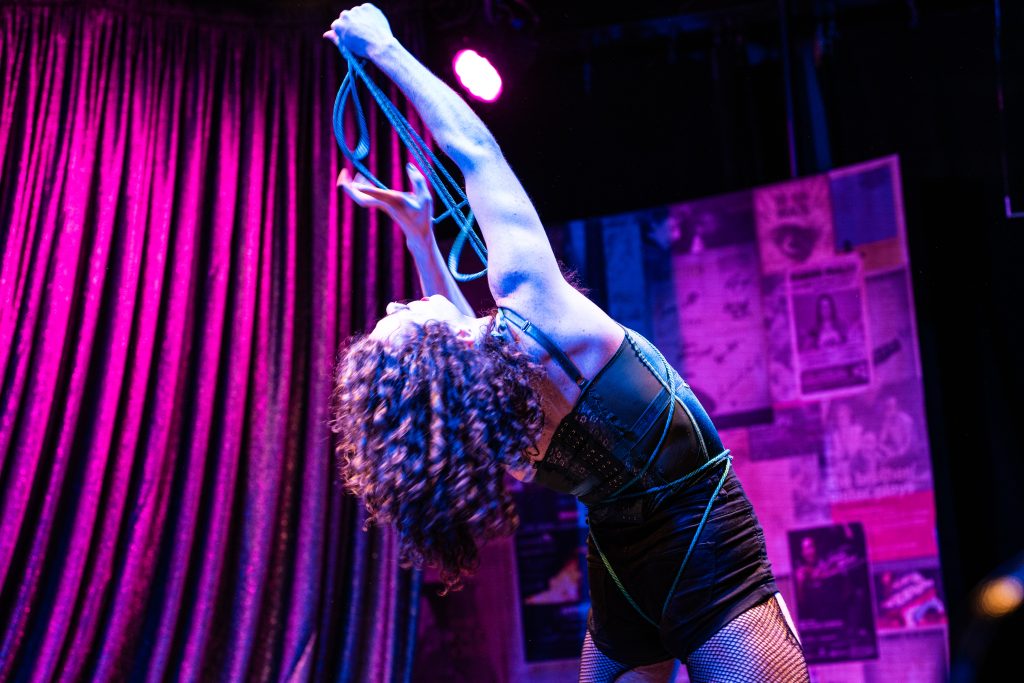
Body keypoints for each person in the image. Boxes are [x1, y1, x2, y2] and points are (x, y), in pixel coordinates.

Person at [324, 5, 810, 681]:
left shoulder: (493, 408)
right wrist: (386, 49)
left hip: (687, 549)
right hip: (655, 555)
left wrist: (419, 234)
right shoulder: (530, 305)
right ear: (432, 355)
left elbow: (466, 359)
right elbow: (476, 153)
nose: (399, 300)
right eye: (401, 314)